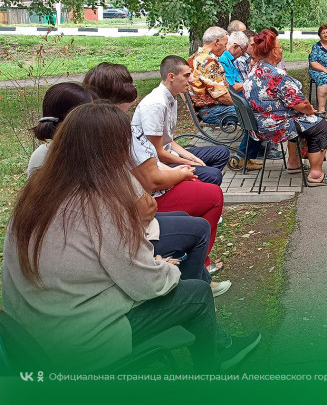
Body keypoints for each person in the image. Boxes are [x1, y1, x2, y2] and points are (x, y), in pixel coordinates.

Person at [2, 102, 260, 373]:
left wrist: (150, 266)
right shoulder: (96, 202)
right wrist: (166, 271)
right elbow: (145, 283)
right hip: (74, 343)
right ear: (111, 152)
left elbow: (90, 261)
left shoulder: (35, 193)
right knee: (196, 294)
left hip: (29, 334)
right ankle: (213, 370)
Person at [26, 81, 214, 284]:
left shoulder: (43, 156)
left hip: (104, 237)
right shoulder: (88, 161)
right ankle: (190, 290)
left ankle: (191, 283)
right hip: (112, 241)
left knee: (185, 217)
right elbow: (144, 208)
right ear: (79, 122)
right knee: (200, 223)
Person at [84, 63, 230, 295]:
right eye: (187, 75)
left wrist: (185, 160)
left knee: (206, 180)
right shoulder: (128, 121)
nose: (191, 79)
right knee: (211, 194)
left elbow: (158, 150)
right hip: (135, 209)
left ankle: (196, 272)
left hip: (131, 205)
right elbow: (152, 176)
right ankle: (197, 279)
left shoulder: (96, 124)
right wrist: (182, 171)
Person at [243, 30, 327, 186]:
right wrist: (311, 111)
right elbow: (301, 105)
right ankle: (316, 175)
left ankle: (294, 162)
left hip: (258, 125)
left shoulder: (254, 70)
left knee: (300, 119)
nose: (281, 50)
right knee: (319, 125)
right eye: (279, 47)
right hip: (273, 126)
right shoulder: (277, 74)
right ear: (274, 52)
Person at [132, 55, 230, 186]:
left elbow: (168, 140)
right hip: (157, 164)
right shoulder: (156, 104)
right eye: (187, 75)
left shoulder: (171, 97)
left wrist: (192, 158)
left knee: (221, 153)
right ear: (171, 77)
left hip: (168, 154)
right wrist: (188, 163)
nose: (191, 80)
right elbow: (156, 152)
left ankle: (197, 190)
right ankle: (192, 189)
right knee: (213, 175)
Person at [188, 26, 263, 171]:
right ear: (216, 42)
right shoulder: (208, 61)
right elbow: (222, 96)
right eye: (224, 42)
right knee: (256, 115)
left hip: (210, 108)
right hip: (211, 111)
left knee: (253, 111)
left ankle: (246, 157)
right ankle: (242, 158)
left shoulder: (195, 57)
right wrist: (244, 106)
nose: (225, 47)